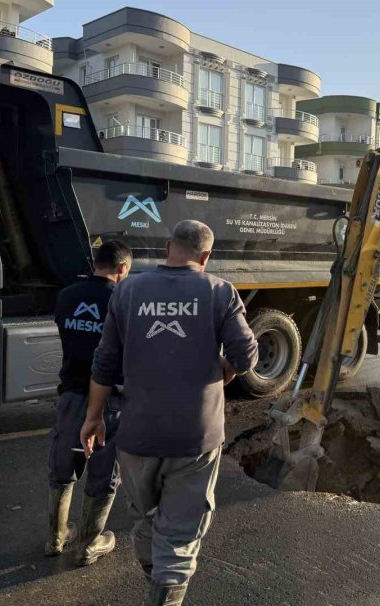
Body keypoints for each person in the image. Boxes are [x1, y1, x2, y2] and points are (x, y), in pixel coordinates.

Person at [82, 220, 258, 606]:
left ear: (167, 248)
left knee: (145, 519)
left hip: (136, 434)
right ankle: (164, 588)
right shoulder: (219, 292)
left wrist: (93, 416)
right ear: (206, 256)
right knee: (179, 535)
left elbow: (105, 361)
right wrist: (223, 372)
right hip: (195, 438)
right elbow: (245, 356)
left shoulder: (127, 290)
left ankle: (154, 577)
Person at [46, 240, 132, 565]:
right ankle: (87, 545)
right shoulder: (121, 302)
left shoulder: (67, 296)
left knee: (63, 466)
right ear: (122, 268)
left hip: (70, 396)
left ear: (96, 262)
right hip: (108, 400)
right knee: (103, 472)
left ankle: (55, 539)